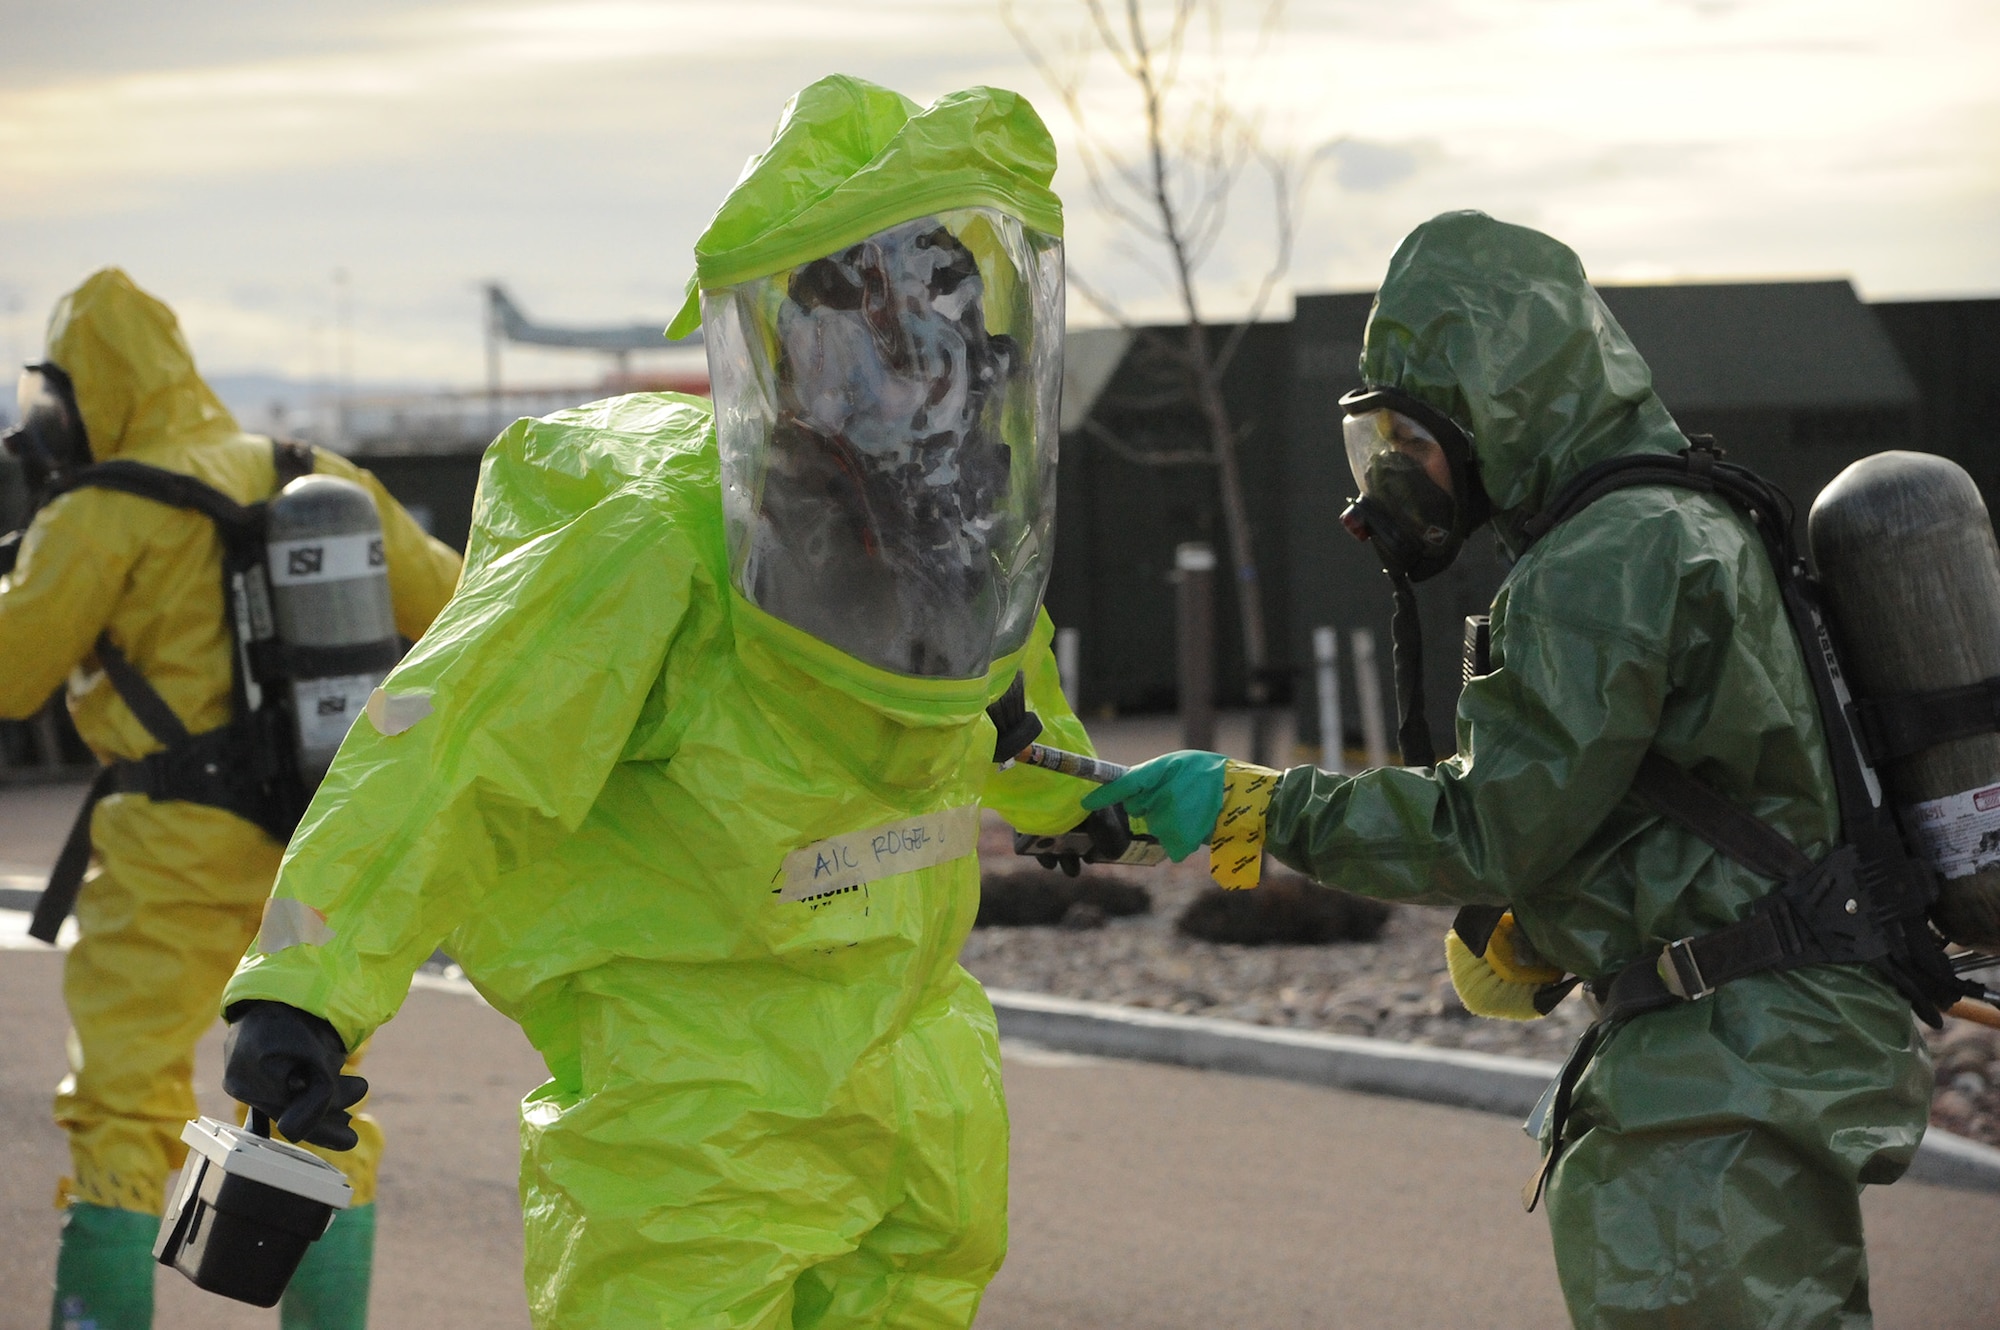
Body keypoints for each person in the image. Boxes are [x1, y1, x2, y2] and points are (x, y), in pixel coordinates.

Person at [219, 75, 1106, 1328]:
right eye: (881, 322)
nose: (920, 368)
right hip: (691, 1112)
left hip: (915, 1082)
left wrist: (1061, 793)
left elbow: (991, 681)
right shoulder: (659, 546)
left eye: (938, 316)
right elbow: (455, 747)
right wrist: (302, 990)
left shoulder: (942, 534)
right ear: (799, 344)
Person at [1087, 211, 1932, 1328]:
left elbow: (1493, 825)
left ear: (1498, 401)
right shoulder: (1677, 517)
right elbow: (1695, 794)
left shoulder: (1604, 556)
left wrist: (1255, 806)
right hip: (1746, 1050)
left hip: (1719, 1073)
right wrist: (1557, 928)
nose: (1390, 474)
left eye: (1407, 438)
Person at [0, 268, 463, 1330]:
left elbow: (11, 676)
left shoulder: (100, 509)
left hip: (167, 851)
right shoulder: (316, 471)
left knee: (124, 1113)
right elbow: (454, 606)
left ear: (83, 391)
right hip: (318, 846)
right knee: (316, 1104)